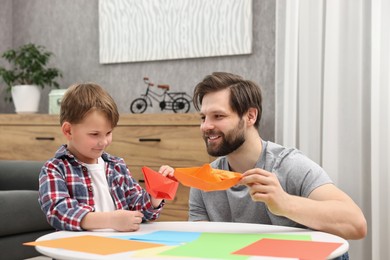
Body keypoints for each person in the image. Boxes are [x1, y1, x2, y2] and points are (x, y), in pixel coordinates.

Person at [188, 72, 367, 241]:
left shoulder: (289, 166)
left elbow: (356, 224)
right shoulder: (203, 182)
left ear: (250, 116)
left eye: (218, 116)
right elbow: (204, 244)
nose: (206, 126)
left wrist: (285, 203)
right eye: (203, 118)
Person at [38, 83, 173, 232]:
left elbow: (142, 210)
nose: (104, 142)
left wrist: (156, 193)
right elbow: (58, 212)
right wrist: (110, 220)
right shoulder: (55, 169)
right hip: (77, 250)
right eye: (94, 134)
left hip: (118, 248)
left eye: (108, 133)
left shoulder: (117, 166)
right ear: (69, 131)